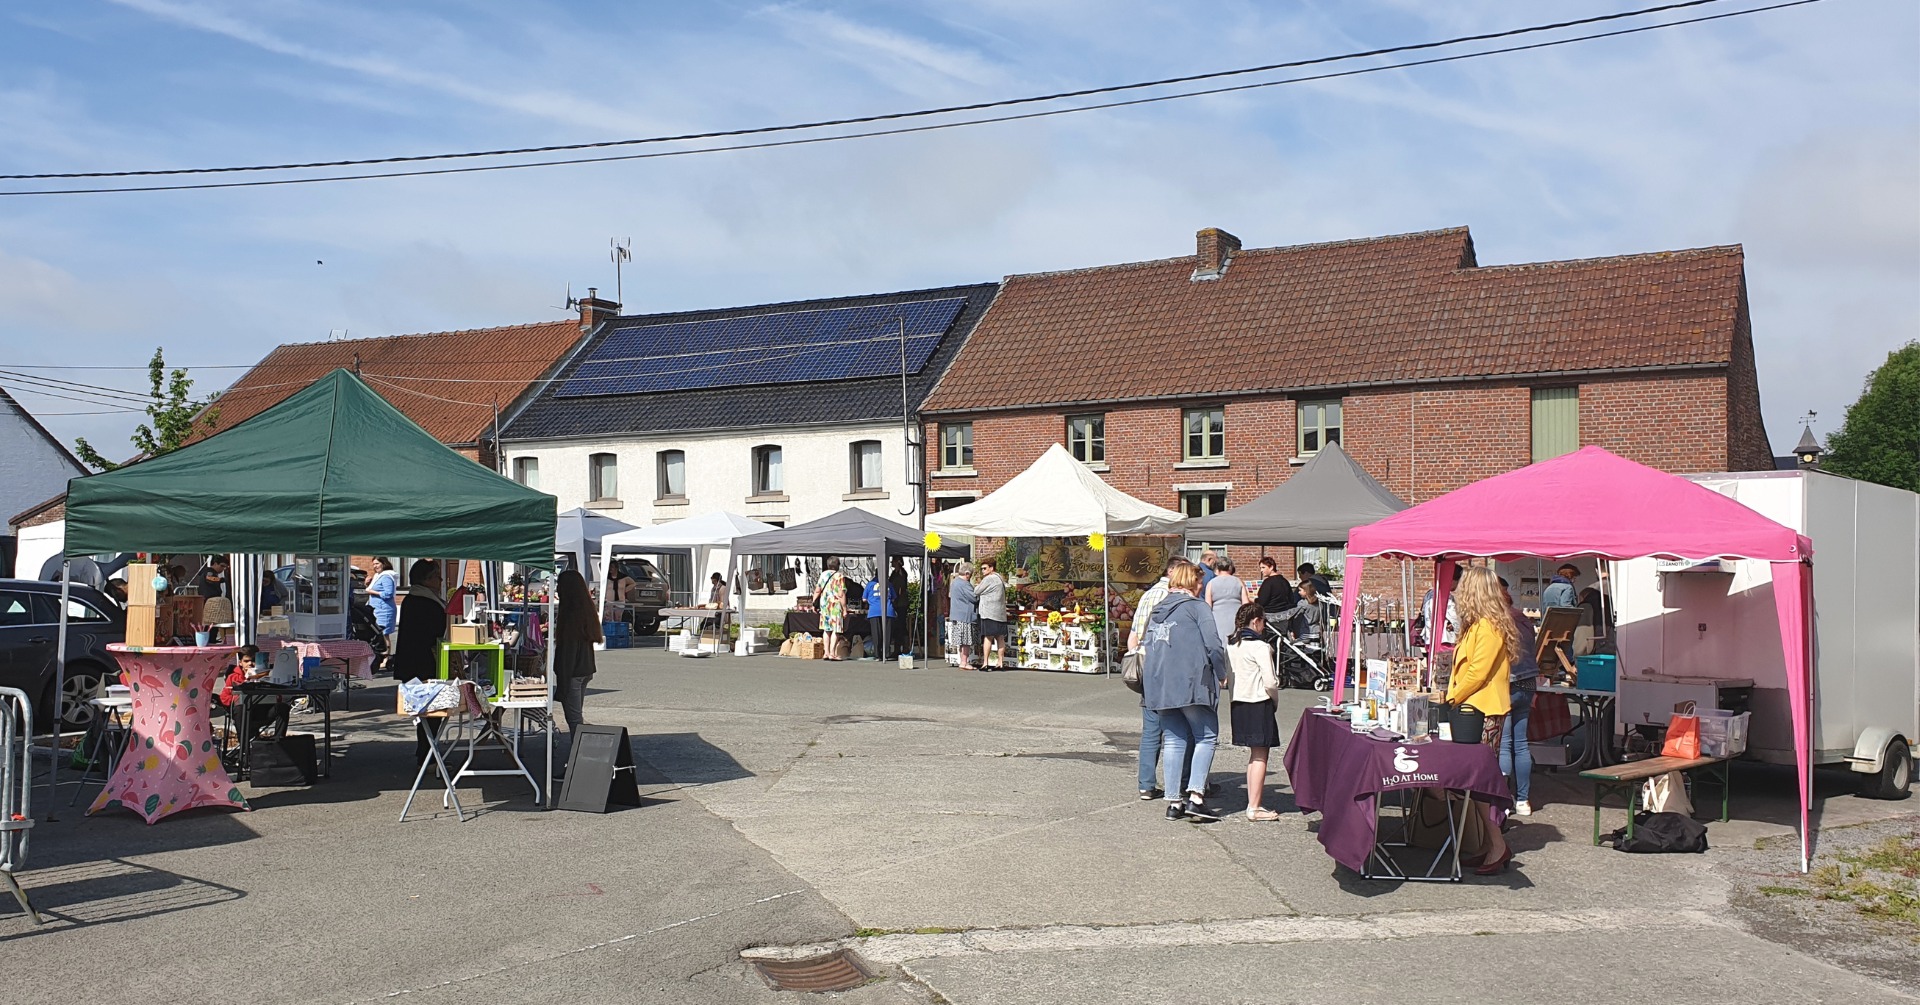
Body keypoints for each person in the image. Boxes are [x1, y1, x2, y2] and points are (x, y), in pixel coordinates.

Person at [1444, 566, 1518, 874]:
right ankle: (1490, 843)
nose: (1458, 593)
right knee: (1470, 783)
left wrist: (1452, 697)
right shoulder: (1477, 625)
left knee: (1479, 782)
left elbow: (1477, 672)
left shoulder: (1488, 627)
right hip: (1472, 708)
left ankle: (1497, 845)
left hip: (1483, 711)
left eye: (1463, 588)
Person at [1142, 559, 1228, 822]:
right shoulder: (1196, 607)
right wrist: (1222, 673)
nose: (1202, 585)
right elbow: (1213, 644)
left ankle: (1173, 801)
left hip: (1160, 685)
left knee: (1174, 740)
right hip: (1191, 682)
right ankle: (1196, 796)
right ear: (1191, 582)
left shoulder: (1158, 609)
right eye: (1199, 581)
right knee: (1207, 735)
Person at [1128, 557, 1181, 800]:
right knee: (1177, 730)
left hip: (1146, 666)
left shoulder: (1147, 595)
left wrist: (1137, 653)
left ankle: (1146, 784)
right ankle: (1182, 783)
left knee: (1150, 731)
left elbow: (1133, 633)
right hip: (1165, 669)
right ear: (1172, 571)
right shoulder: (1171, 599)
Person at [1226, 603, 1282, 821]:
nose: (1264, 626)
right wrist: (1274, 701)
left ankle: (1253, 801)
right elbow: (1270, 681)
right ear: (1256, 621)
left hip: (1238, 702)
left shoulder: (1231, 645)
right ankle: (1254, 807)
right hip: (1258, 701)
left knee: (1253, 755)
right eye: (1263, 621)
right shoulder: (1260, 647)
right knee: (1260, 756)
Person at [393, 560, 448, 768]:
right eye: (436, 576)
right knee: (429, 712)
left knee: (428, 713)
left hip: (419, 661)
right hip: (422, 663)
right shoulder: (421, 600)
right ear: (425, 579)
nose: (440, 580)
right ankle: (427, 757)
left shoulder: (418, 598)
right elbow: (433, 630)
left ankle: (426, 753)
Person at [1500, 577, 1540, 817]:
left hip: (1508, 683)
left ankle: (1505, 800)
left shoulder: (1498, 620)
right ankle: (1523, 800)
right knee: (1521, 744)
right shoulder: (1522, 618)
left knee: (1504, 745)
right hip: (1528, 682)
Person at [553, 569, 601, 736]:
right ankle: (578, 756)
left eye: (559, 585)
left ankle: (578, 758)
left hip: (572, 672)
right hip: (585, 668)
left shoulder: (570, 615)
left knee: (574, 721)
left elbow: (568, 653)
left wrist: (562, 687)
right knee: (576, 718)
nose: (557, 589)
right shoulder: (586, 609)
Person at [1419, 565, 1464, 650]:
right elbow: (1455, 619)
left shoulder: (1429, 594)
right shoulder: (1446, 597)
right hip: (1446, 640)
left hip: (1430, 639)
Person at [813, 557, 850, 661]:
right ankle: (832, 653)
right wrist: (845, 608)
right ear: (838, 565)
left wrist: (813, 603)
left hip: (824, 605)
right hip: (835, 606)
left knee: (826, 629)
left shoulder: (823, 575)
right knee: (835, 630)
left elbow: (817, 590)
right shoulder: (839, 576)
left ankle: (826, 652)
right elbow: (841, 594)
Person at [975, 559, 1008, 670]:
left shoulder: (988, 579)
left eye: (985, 568)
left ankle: (985, 663)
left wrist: (978, 586)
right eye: (982, 569)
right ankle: (1000, 662)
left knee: (988, 637)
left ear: (991, 568)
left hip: (989, 612)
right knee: (1000, 637)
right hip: (1000, 613)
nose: (983, 571)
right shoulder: (1000, 578)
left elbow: (977, 591)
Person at [1273, 578, 1329, 642]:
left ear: (1306, 591)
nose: (1298, 592)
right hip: (1317, 631)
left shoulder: (1302, 603)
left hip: (1306, 631)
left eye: (1300, 590)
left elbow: (1296, 616)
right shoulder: (1320, 603)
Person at [1204, 556, 1245, 643]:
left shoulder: (1211, 583)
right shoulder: (1238, 581)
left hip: (1218, 619)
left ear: (1217, 568)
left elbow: (1208, 606)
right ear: (1230, 567)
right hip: (1236, 618)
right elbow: (1246, 604)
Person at [947, 561, 979, 670]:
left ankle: (962, 661)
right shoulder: (964, 584)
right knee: (966, 641)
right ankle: (964, 662)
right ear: (967, 573)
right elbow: (974, 597)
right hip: (965, 616)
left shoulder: (954, 582)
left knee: (961, 641)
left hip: (956, 615)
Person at [367, 557, 399, 659]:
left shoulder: (386, 577)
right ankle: (380, 657)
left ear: (383, 563)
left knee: (384, 634)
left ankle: (386, 657)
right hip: (376, 609)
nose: (375, 566)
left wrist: (372, 591)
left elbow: (388, 594)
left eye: (377, 563)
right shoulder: (378, 576)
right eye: (373, 564)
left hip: (384, 610)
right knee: (378, 634)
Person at [1253, 556, 1297, 621]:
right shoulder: (1284, 581)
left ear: (1271, 567)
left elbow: (1262, 601)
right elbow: (1291, 598)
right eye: (1260, 568)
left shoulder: (1268, 582)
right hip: (1285, 616)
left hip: (1270, 616)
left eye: (1263, 567)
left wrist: (1254, 600)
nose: (1261, 570)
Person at [887, 556, 910, 657]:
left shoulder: (902, 573)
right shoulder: (894, 574)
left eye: (894, 561)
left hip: (901, 603)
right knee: (896, 626)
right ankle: (897, 648)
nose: (892, 563)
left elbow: (901, 587)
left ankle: (904, 647)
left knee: (901, 625)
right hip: (895, 602)